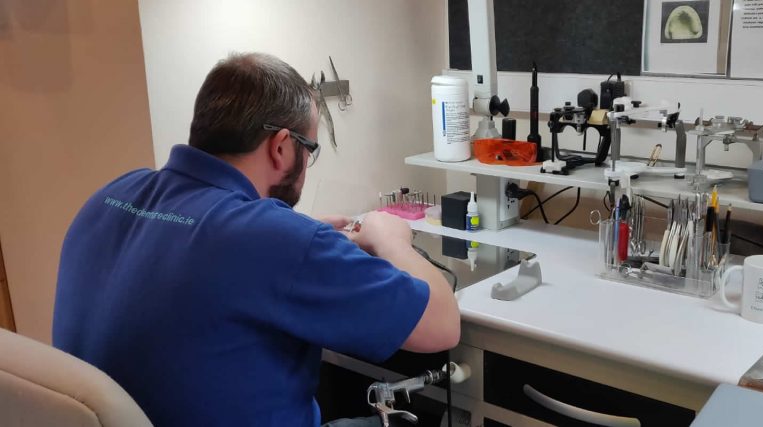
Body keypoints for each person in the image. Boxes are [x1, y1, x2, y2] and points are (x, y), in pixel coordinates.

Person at [52, 52, 459, 426]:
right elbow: (441, 328)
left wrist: (300, 239)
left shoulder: (111, 196)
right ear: (282, 146)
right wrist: (391, 240)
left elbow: (193, 251)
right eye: (309, 148)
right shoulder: (277, 242)